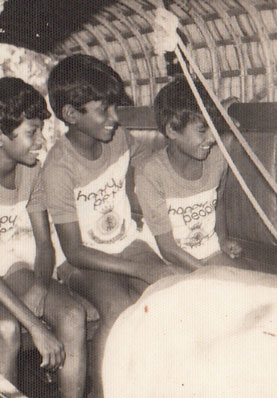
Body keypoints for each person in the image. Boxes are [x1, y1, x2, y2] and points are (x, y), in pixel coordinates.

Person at [42, 54, 179, 397]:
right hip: (81, 261)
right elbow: (74, 250)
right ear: (71, 115)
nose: (115, 119)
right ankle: (102, 391)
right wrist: (134, 267)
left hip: (126, 244)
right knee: (118, 309)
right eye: (104, 109)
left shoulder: (117, 139)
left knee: (169, 286)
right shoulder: (59, 168)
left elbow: (143, 159)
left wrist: (135, 199)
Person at [0, 77, 87, 398]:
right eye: (31, 132)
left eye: (40, 130)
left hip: (10, 265)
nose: (40, 141)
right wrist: (35, 327)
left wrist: (40, 285)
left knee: (71, 313)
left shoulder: (32, 170)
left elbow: (43, 243)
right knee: (7, 327)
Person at [135, 77, 250, 270]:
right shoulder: (150, 173)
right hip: (166, 261)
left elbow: (217, 201)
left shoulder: (217, 158)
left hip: (207, 251)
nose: (212, 138)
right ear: (172, 130)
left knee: (256, 285)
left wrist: (222, 239)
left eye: (213, 128)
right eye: (202, 130)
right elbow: (168, 248)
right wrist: (208, 274)